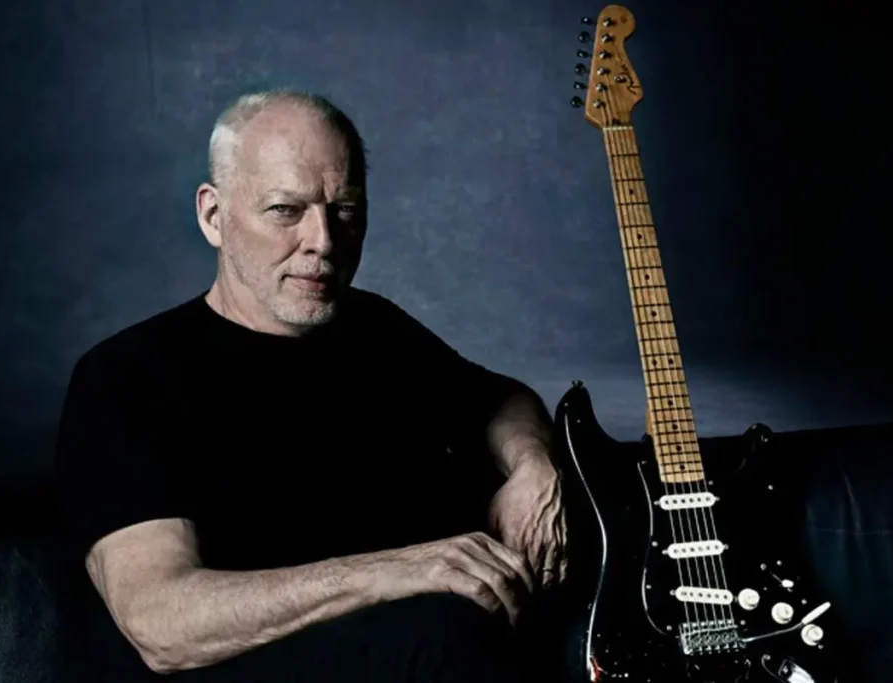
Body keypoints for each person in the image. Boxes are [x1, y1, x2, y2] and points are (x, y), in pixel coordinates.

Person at [54, 88, 573, 682]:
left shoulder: (376, 329)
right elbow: (160, 619)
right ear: (213, 216)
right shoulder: (126, 376)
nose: (323, 241)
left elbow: (499, 399)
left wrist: (534, 468)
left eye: (345, 209)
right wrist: (397, 570)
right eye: (285, 210)